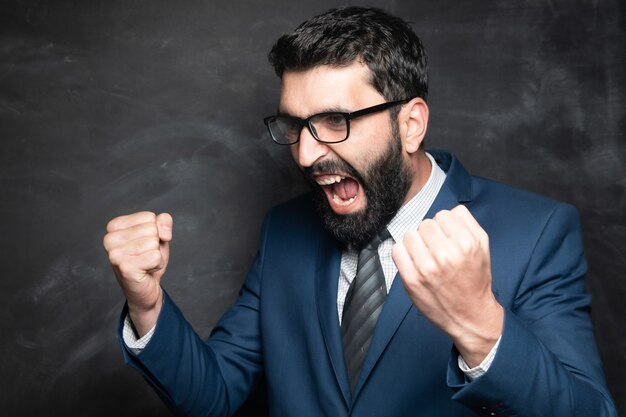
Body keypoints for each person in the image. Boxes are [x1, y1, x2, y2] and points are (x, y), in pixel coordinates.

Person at [102, 6, 617, 417]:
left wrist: (482, 327)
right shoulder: (284, 231)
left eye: (334, 121)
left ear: (411, 125)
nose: (305, 154)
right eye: (294, 126)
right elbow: (214, 394)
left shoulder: (535, 232)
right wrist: (147, 305)